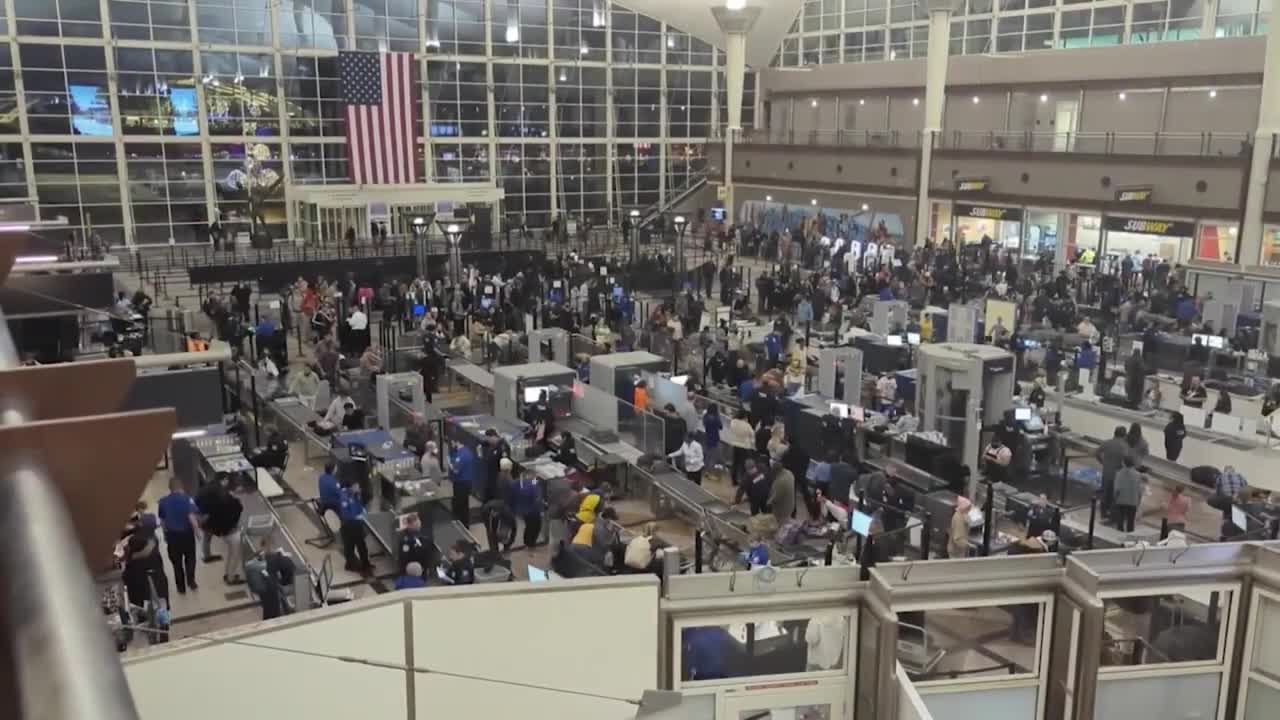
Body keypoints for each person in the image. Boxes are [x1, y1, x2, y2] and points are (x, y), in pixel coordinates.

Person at [197, 474, 244, 584]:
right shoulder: (233, 503)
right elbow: (237, 513)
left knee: (208, 539)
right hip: (230, 532)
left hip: (209, 521)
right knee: (234, 555)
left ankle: (209, 557)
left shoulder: (212, 489)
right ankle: (230, 578)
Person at [157, 481, 201, 593]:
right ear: (181, 488)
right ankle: (191, 582)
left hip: (172, 536)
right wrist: (197, 532)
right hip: (186, 535)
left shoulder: (162, 502)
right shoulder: (187, 499)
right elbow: (191, 517)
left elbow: (162, 521)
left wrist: (165, 534)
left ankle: (181, 587)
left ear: (170, 488)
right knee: (190, 559)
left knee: (176, 562)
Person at [245, 537, 295, 619]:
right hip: (272, 589)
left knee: (267, 608)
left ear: (262, 546)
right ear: (273, 546)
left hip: (262, 588)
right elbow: (290, 570)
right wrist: (282, 582)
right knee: (274, 610)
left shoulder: (257, 558)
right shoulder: (278, 558)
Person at [338, 484, 372, 574]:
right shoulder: (345, 497)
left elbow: (359, 506)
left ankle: (365, 563)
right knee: (350, 546)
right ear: (352, 486)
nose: (359, 488)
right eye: (357, 486)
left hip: (357, 523)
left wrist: (362, 511)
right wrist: (358, 516)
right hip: (349, 525)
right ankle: (350, 565)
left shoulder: (356, 494)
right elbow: (346, 514)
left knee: (362, 545)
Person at [1095, 426, 1128, 518]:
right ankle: (1112, 514)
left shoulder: (1107, 443)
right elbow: (1127, 459)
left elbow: (1096, 453)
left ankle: (1103, 513)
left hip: (1106, 471)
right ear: (1124, 435)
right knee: (1114, 494)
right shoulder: (1124, 446)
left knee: (1104, 492)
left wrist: (1103, 462)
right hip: (1117, 473)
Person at [506, 468, 543, 549]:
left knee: (528, 526)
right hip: (532, 511)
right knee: (535, 527)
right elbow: (537, 498)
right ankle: (530, 543)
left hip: (521, 510)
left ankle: (527, 542)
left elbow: (510, 496)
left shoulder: (515, 483)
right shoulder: (533, 485)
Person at [447, 439, 476, 525]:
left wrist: (449, 462)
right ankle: (464, 523)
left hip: (461, 483)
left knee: (460, 505)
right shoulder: (468, 451)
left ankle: (462, 524)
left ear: (457, 442)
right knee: (464, 504)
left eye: (452, 442)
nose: (451, 445)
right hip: (467, 482)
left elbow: (456, 470)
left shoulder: (461, 455)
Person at [1113, 457, 1144, 533]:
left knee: (1120, 520)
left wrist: (1115, 499)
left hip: (1121, 500)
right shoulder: (1138, 475)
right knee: (1130, 521)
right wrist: (1138, 501)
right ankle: (1130, 537)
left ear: (1123, 463)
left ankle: (1119, 534)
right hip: (1133, 501)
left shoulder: (1119, 473)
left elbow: (1117, 488)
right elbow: (1139, 490)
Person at [725, 409, 754, 485]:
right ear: (745, 416)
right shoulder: (747, 425)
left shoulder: (733, 422)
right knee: (743, 465)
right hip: (744, 447)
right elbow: (752, 434)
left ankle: (734, 481)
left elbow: (730, 428)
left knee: (735, 464)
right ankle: (743, 481)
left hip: (735, 445)